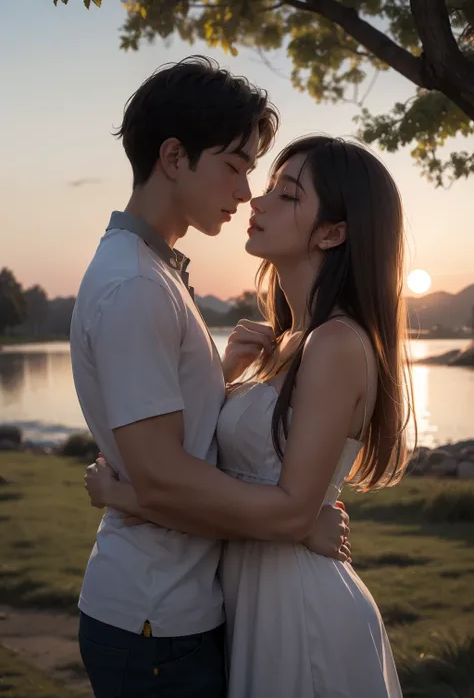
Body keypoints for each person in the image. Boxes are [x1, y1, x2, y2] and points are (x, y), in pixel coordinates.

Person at [87, 134, 415, 697]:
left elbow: (288, 513)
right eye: (268, 188)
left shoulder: (335, 343)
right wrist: (226, 378)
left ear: (334, 232)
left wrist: (131, 497)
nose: (255, 203)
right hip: (250, 603)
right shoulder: (285, 343)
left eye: (286, 195)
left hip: (301, 614)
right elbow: (241, 475)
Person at [71, 57, 350, 698]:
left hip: (176, 604)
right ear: (174, 157)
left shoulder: (153, 272)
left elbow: (165, 444)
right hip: (155, 616)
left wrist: (219, 378)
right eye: (236, 165)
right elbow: (163, 475)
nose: (247, 191)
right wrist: (293, 522)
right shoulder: (137, 286)